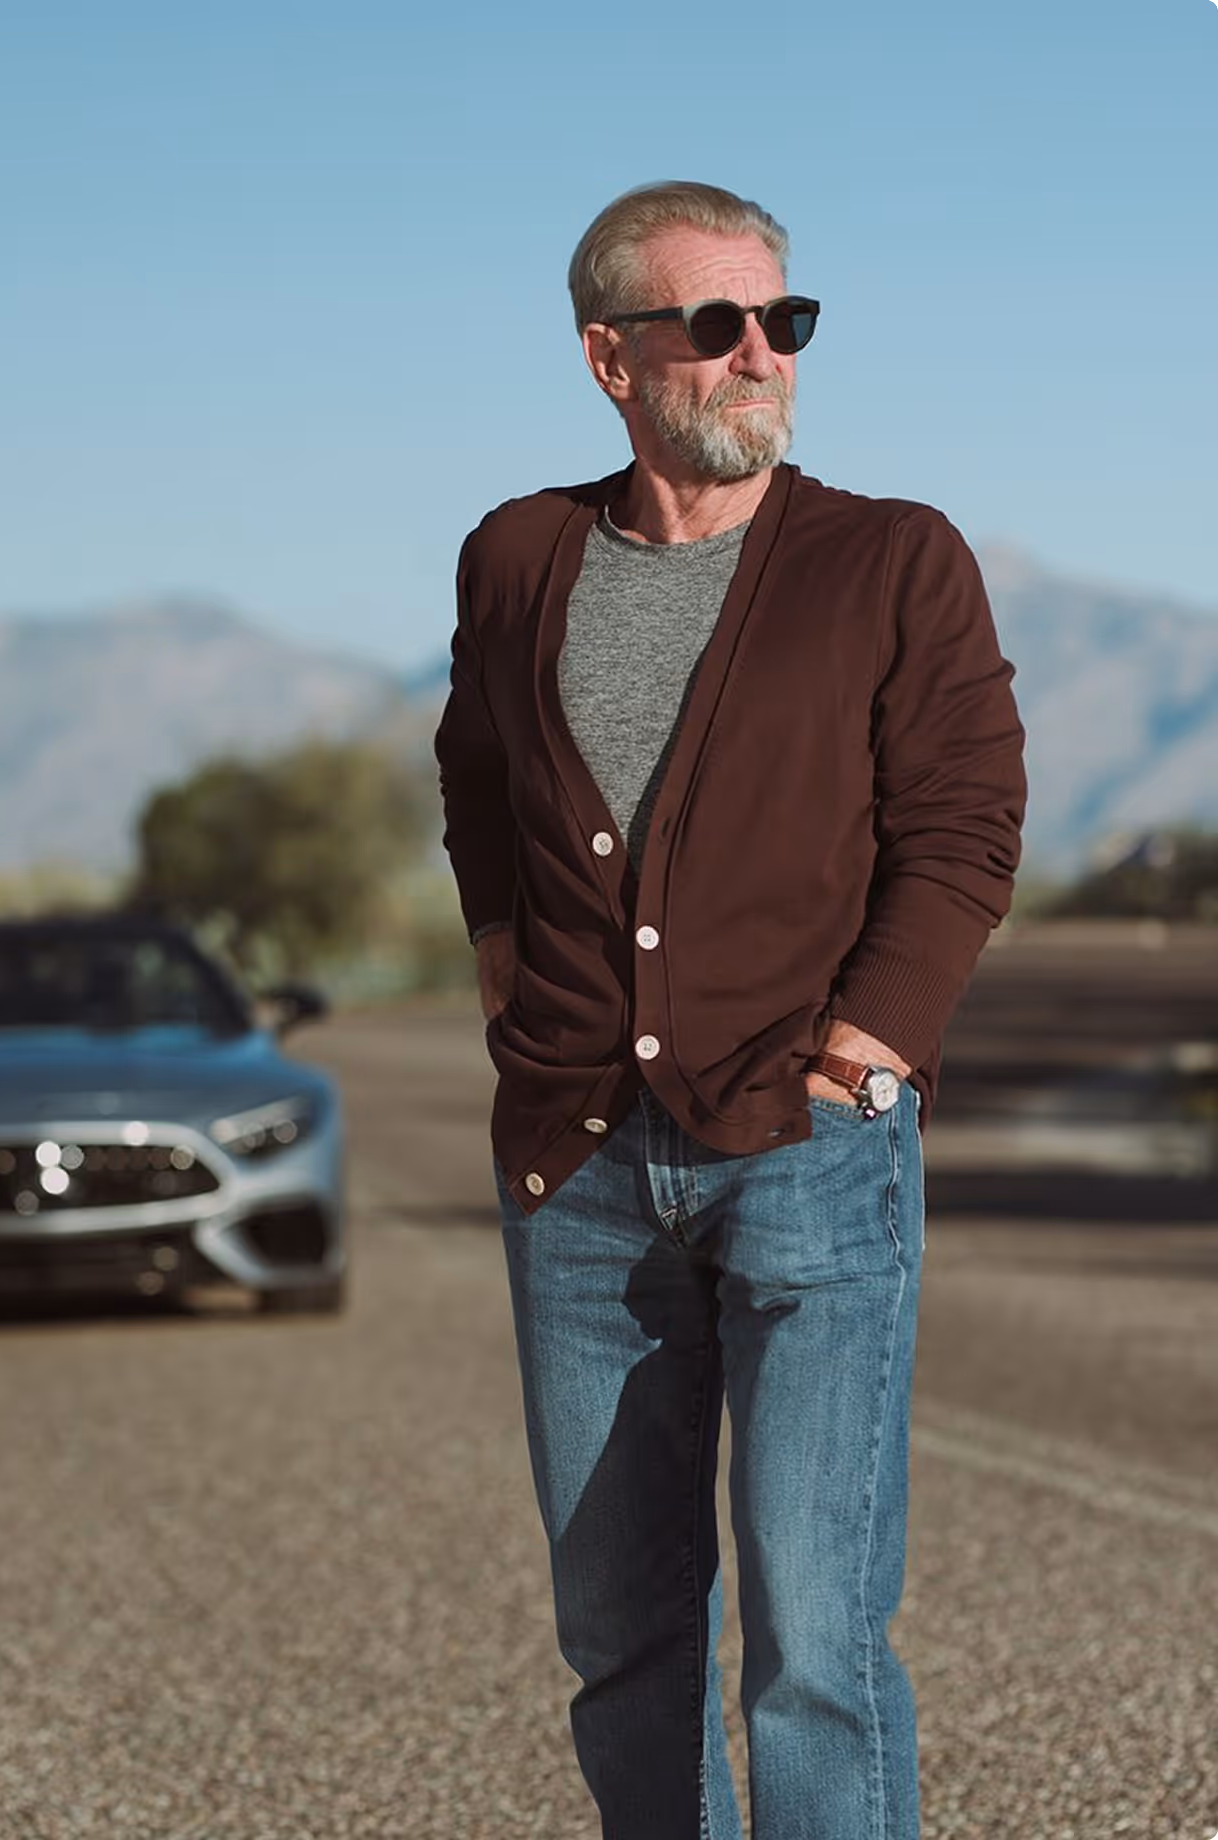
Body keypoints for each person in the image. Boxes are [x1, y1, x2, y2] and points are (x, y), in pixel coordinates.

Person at [432, 180, 1028, 1840]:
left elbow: (966, 818)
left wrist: (871, 1045)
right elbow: (475, 767)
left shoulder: (891, 559)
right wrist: (499, 943)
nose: (760, 353)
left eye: (785, 320)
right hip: (577, 1163)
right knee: (623, 1640)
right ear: (611, 360)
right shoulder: (520, 555)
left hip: (808, 1144)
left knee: (817, 1646)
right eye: (716, 325)